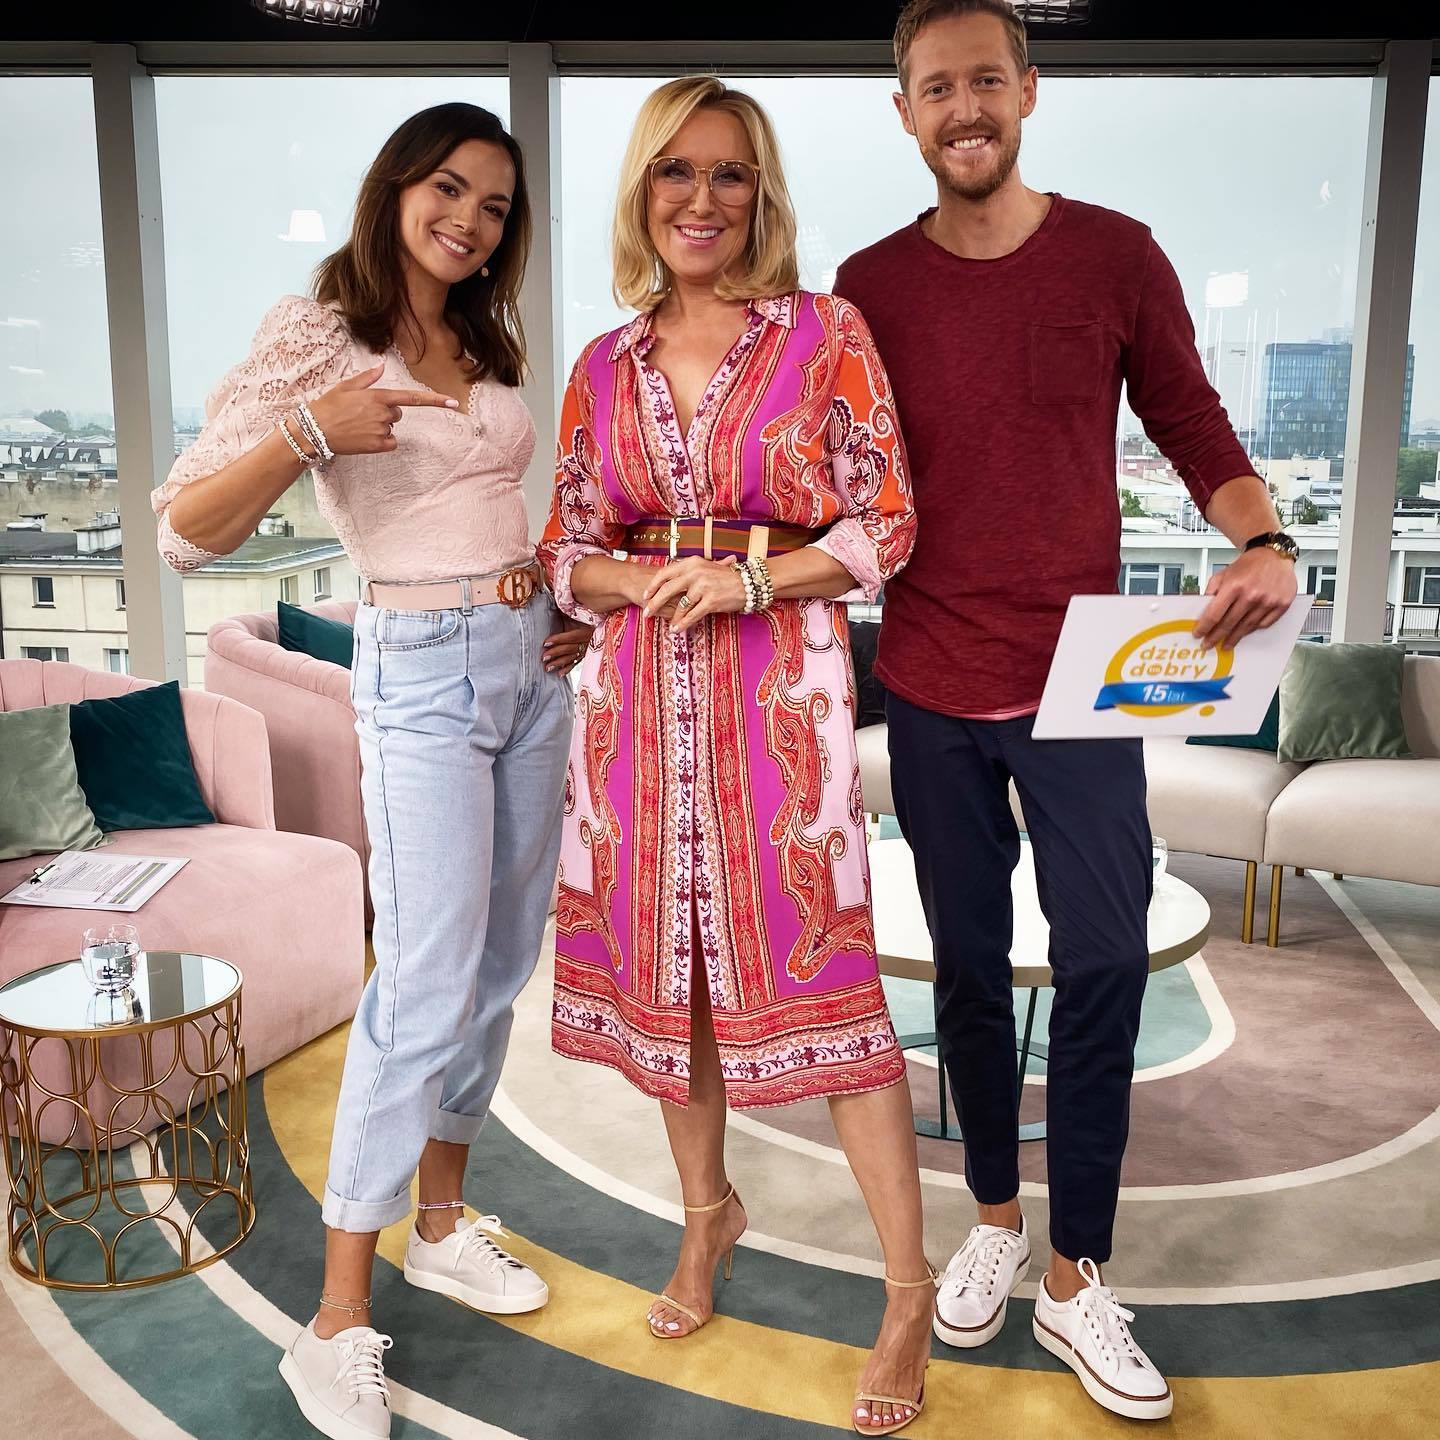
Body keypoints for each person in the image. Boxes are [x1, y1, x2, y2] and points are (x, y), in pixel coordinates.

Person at [834, 0, 1299, 1423]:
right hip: (927, 681)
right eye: (936, 88)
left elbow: (1193, 423)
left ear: (1028, 91)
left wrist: (1263, 536)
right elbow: (822, 472)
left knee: (1104, 964)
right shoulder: (866, 285)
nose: (964, 108)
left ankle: (1077, 1273)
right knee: (970, 973)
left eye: (987, 79)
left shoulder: (1117, 255)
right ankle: (991, 1217)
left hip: (1083, 686)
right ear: (904, 114)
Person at [152, 103, 590, 1440]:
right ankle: (335, 1321)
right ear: (396, 187)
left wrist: (552, 597)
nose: (470, 219)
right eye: (448, 188)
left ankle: (441, 1223)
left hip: (532, 663)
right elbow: (182, 533)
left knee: (502, 962)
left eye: (496, 206)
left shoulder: (484, 337)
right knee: (424, 977)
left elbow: (490, 502)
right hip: (421, 673)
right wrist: (309, 430)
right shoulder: (318, 333)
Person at [538, 76, 936, 1437]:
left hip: (781, 697)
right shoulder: (604, 364)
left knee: (829, 978)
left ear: (761, 196)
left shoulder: (826, 334)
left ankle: (905, 1289)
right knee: (682, 986)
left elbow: (887, 521)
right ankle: (707, 1216)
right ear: (641, 190)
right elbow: (565, 544)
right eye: (676, 172)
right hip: (638, 702)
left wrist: (755, 582)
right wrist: (619, 581)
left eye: (728, 175)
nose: (700, 200)